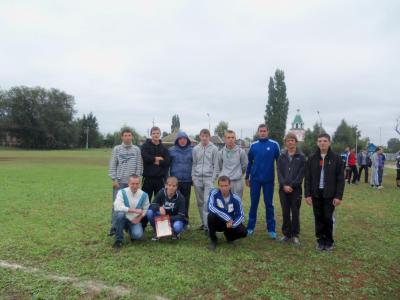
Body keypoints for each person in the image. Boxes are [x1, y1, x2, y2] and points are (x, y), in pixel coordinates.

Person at [304, 133, 344, 251]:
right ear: (317, 143)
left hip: (330, 194)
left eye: (325, 141)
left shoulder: (336, 159)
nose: (322, 143)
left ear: (329, 142)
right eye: (320, 141)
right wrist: (307, 194)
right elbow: (308, 178)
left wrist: (338, 196)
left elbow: (340, 179)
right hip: (316, 194)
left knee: (328, 217)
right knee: (318, 217)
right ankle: (320, 241)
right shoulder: (312, 158)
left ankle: (329, 241)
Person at [245, 124, 280, 239]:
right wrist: (247, 177)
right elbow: (249, 162)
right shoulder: (253, 145)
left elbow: (279, 164)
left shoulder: (274, 145)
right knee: (253, 204)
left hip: (268, 181)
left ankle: (271, 229)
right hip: (255, 180)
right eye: (261, 131)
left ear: (268, 132)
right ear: (258, 132)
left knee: (269, 204)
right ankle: (250, 227)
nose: (263, 133)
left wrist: (280, 179)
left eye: (264, 131)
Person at [108, 128, 143, 236]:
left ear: (132, 137)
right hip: (119, 182)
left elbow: (139, 165)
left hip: (132, 184)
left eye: (129, 135)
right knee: (116, 205)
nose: (127, 137)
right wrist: (114, 179)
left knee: (133, 205)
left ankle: (129, 226)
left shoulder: (136, 149)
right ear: (122, 137)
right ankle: (114, 227)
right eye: (125, 135)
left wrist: (137, 181)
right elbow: (113, 164)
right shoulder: (117, 149)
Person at [277, 133, 305, 245]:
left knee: (295, 212)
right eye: (288, 140)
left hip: (296, 190)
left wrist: (292, 185)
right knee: (285, 212)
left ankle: (295, 235)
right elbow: (279, 172)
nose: (290, 142)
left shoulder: (301, 157)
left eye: (292, 140)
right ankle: (286, 234)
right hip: (283, 189)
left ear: (296, 142)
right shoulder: (281, 156)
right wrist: (284, 185)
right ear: (285, 142)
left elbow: (301, 174)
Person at [207, 176, 247, 251]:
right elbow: (210, 207)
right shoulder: (214, 193)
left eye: (226, 185)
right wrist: (228, 218)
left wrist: (233, 223)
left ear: (230, 186)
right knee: (211, 216)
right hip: (218, 223)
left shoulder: (236, 198)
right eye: (221, 186)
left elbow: (241, 215)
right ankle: (213, 240)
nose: (224, 188)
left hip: (229, 225)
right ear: (218, 186)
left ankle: (229, 236)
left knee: (244, 232)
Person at [192, 129, 219, 234]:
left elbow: (216, 165)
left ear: (209, 137)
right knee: (200, 202)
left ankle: (208, 226)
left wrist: (212, 179)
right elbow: (194, 164)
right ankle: (204, 223)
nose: (204, 138)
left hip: (208, 179)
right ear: (200, 136)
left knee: (207, 202)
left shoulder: (214, 149)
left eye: (206, 136)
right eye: (202, 136)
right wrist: (193, 177)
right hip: (197, 178)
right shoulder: (195, 149)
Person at [113, 175, 150, 249]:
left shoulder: (144, 195)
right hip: (124, 218)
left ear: (139, 184)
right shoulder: (122, 192)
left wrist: (139, 218)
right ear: (129, 183)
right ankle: (118, 240)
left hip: (134, 220)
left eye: (137, 184)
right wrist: (134, 210)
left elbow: (146, 209)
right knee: (120, 215)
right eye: (133, 183)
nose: (135, 186)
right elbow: (117, 206)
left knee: (137, 235)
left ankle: (129, 229)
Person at [147, 176, 187, 240]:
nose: (171, 188)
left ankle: (175, 233)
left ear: (176, 187)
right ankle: (157, 231)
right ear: (166, 185)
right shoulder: (161, 192)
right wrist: (159, 207)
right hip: (162, 217)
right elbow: (152, 205)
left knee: (177, 226)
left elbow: (181, 216)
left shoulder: (180, 197)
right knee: (149, 212)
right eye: (169, 185)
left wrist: (167, 218)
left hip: (173, 219)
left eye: (174, 186)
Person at [141, 126, 170, 201]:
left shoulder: (164, 148)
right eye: (153, 133)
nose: (156, 135)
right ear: (151, 135)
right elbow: (145, 158)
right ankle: (145, 213)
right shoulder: (145, 146)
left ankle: (158, 213)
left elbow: (167, 162)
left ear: (160, 134)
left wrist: (158, 161)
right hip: (148, 178)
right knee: (145, 201)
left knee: (159, 202)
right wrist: (156, 158)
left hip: (160, 179)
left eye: (157, 133)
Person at [169, 131, 193, 222]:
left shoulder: (192, 150)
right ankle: (175, 218)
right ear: (177, 140)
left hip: (187, 180)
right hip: (175, 181)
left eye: (184, 139)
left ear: (187, 140)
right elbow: (167, 165)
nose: (182, 141)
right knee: (175, 200)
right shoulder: (171, 150)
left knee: (186, 201)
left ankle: (185, 219)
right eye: (180, 139)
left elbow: (195, 164)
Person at [217, 130, 248, 198]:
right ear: (225, 139)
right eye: (228, 137)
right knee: (225, 202)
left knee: (237, 202)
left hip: (237, 182)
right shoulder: (221, 152)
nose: (230, 139)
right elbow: (220, 166)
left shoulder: (241, 152)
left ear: (235, 139)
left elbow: (244, 166)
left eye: (232, 137)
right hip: (225, 183)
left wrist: (238, 173)